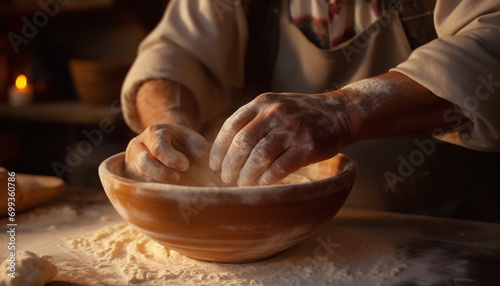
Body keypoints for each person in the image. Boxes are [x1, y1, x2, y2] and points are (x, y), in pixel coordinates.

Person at [121, 0, 500, 192]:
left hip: (437, 220)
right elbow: (174, 52)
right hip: (278, 231)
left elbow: (492, 39)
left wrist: (344, 112)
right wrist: (167, 122)